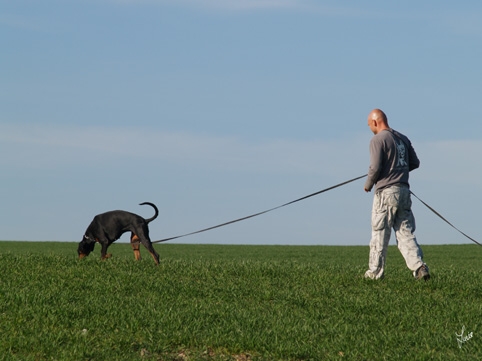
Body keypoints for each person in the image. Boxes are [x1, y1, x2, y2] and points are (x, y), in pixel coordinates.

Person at [363, 109, 430, 280]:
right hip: (404, 192)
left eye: (370, 125)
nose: (370, 128)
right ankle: (419, 267)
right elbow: (415, 163)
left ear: (375, 122)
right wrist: (398, 170)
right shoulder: (403, 138)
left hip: (386, 193)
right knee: (405, 233)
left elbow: (376, 167)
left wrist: (369, 184)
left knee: (380, 233)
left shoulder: (378, 139)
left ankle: (374, 274)